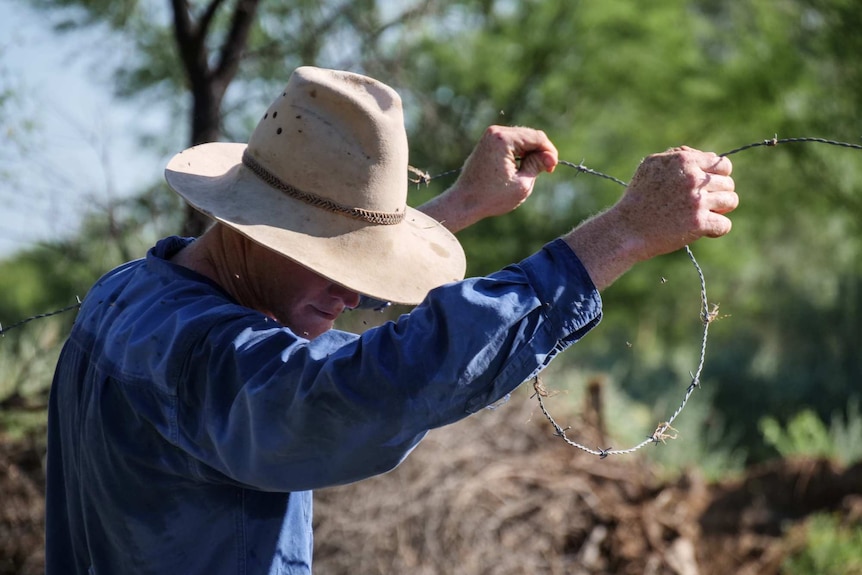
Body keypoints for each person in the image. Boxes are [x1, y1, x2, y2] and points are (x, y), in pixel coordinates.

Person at [45, 66, 737, 574]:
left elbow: (304, 288)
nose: (353, 296)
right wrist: (619, 237)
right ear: (260, 231)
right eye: (337, 260)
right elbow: (368, 387)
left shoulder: (127, 295)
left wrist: (462, 204)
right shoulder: (209, 359)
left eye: (361, 266)